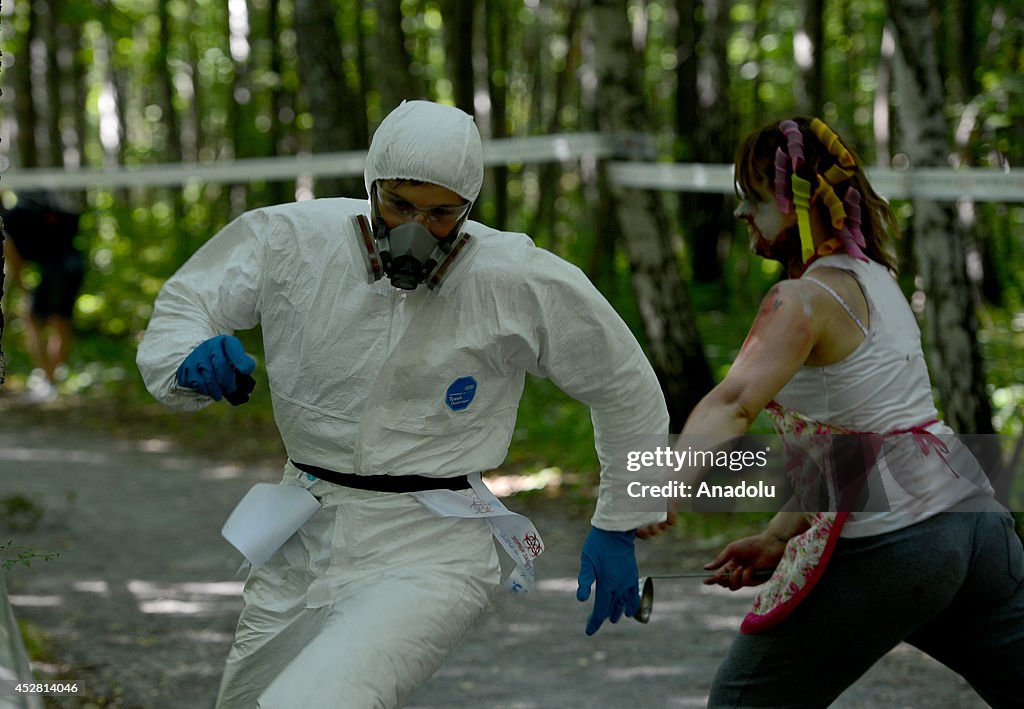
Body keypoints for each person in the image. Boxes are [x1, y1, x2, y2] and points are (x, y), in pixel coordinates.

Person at [136, 100, 669, 708]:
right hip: (303, 526)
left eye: (441, 213)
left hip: (431, 545)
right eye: (399, 205)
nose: (417, 229)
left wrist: (621, 520)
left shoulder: (516, 278)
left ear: (468, 210)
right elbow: (185, 304)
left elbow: (623, 385)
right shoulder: (290, 241)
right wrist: (188, 360)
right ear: (370, 187)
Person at [646, 117, 1023, 707]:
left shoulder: (798, 301)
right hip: (977, 522)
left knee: (743, 702)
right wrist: (778, 535)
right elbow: (862, 441)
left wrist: (667, 482)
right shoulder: (879, 278)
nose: (742, 213)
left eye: (753, 198)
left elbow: (734, 401)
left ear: (802, 204)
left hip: (900, 542)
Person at [1, 190, 85, 402]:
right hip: (75, 264)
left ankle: (48, 382)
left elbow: (14, 259)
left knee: (31, 320)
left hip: (55, 269)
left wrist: (23, 291)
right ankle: (51, 380)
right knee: (60, 322)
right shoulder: (40, 208)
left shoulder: (9, 221)